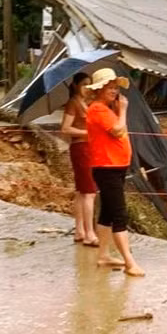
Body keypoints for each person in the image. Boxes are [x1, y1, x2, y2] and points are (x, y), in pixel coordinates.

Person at [85, 68, 145, 277]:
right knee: (120, 214)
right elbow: (118, 130)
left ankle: (104, 255)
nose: (114, 90)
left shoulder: (107, 109)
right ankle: (129, 262)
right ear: (99, 89)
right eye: (109, 86)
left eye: (115, 87)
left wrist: (118, 110)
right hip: (107, 167)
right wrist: (124, 110)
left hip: (115, 166)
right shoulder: (98, 109)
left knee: (108, 213)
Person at [60, 72, 98, 246]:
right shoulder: (73, 103)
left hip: (89, 148)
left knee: (81, 191)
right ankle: (89, 233)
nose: (86, 88)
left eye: (89, 85)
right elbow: (65, 129)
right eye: (84, 84)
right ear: (76, 85)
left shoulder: (87, 103)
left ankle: (80, 230)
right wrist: (87, 133)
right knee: (89, 192)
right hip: (81, 147)